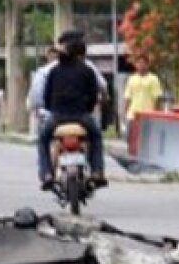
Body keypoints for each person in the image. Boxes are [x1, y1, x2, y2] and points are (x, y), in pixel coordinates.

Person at [38, 31, 106, 190]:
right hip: (81, 116)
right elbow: (93, 96)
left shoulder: (53, 72)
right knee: (96, 137)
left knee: (42, 140)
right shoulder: (88, 71)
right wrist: (86, 110)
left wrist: (52, 109)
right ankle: (97, 172)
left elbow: (46, 98)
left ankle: (47, 173)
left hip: (57, 117)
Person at [122, 54, 163, 133]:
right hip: (132, 115)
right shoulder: (131, 79)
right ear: (136, 65)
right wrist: (124, 113)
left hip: (148, 116)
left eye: (143, 63)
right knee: (131, 139)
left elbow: (157, 98)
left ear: (147, 64)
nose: (141, 65)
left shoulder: (153, 79)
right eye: (139, 63)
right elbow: (127, 98)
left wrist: (156, 115)